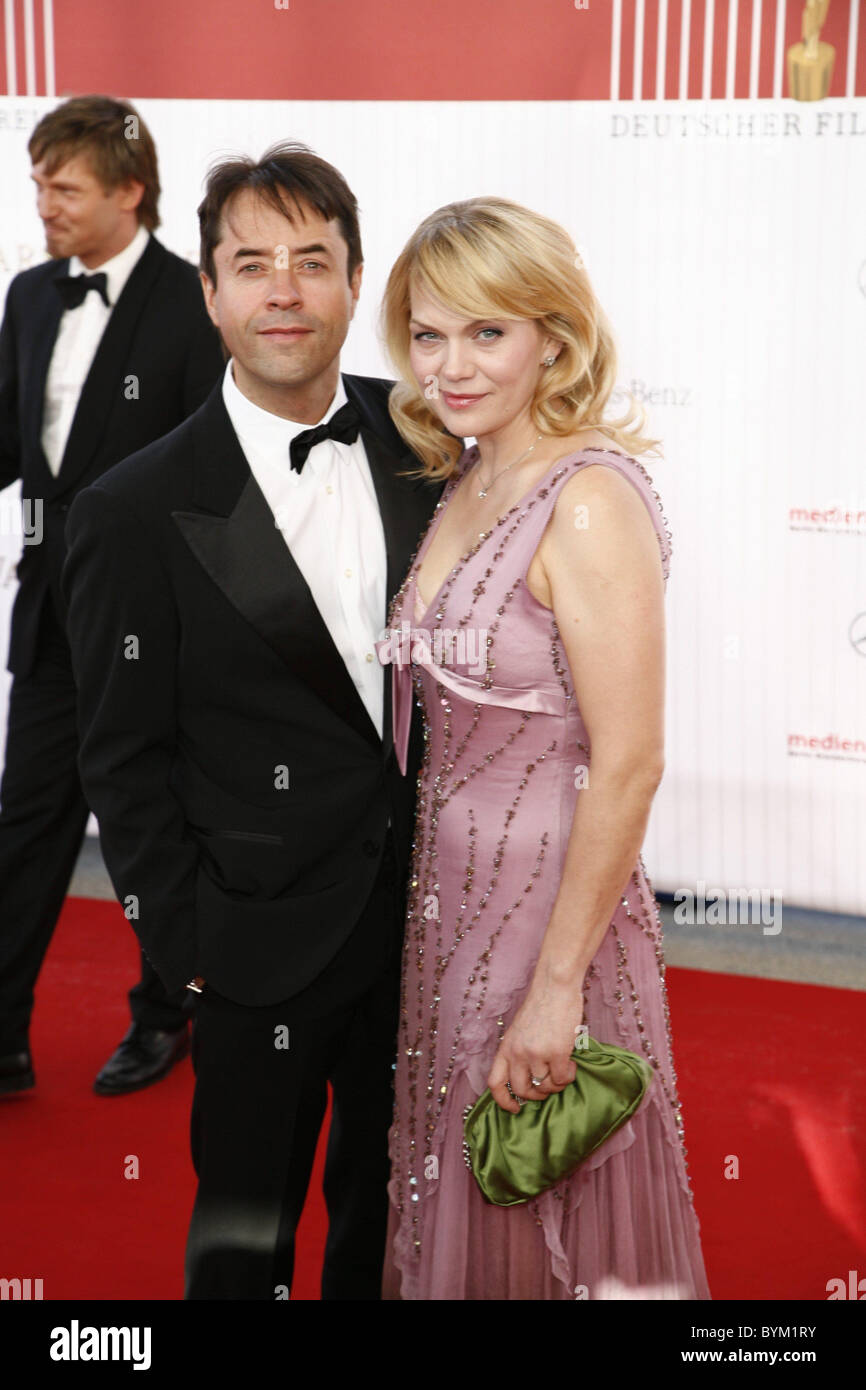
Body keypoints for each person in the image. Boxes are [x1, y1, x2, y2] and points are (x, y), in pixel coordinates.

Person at [62, 141, 443, 1298]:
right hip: (251, 950)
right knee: (246, 1244)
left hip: (425, 937)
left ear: (353, 282)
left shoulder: (431, 447)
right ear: (212, 293)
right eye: (252, 262)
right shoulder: (131, 506)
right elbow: (120, 758)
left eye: (312, 260)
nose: (285, 288)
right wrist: (189, 952)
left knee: (392, 1230)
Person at [376, 196, 712, 1299]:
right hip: (448, 903)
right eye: (429, 333)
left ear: (551, 336)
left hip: (548, 914)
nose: (451, 364)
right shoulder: (464, 479)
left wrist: (556, 987)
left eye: (487, 331)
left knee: (534, 1172)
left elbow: (628, 762)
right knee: (459, 1175)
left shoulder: (586, 498)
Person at [0, 95, 224, 1099]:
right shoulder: (29, 294)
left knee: (158, 825)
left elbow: (214, 478)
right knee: (26, 824)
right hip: (49, 607)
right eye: (39, 181)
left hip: (156, 625)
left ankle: (166, 1014)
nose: (42, 201)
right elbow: (15, 443)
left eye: (64, 186)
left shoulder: (195, 302)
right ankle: (2, 1034)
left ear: (130, 192)